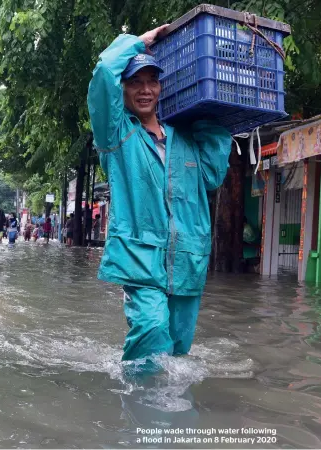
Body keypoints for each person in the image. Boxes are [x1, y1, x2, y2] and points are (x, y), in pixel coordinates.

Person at [88, 25, 231, 368]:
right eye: (135, 82)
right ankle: (138, 409)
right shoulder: (117, 134)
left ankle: (171, 412)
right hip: (140, 258)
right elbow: (104, 72)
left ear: (162, 87)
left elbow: (213, 176)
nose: (145, 90)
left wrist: (210, 120)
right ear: (123, 89)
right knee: (152, 330)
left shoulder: (185, 140)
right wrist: (141, 40)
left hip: (187, 258)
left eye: (152, 81)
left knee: (179, 354)